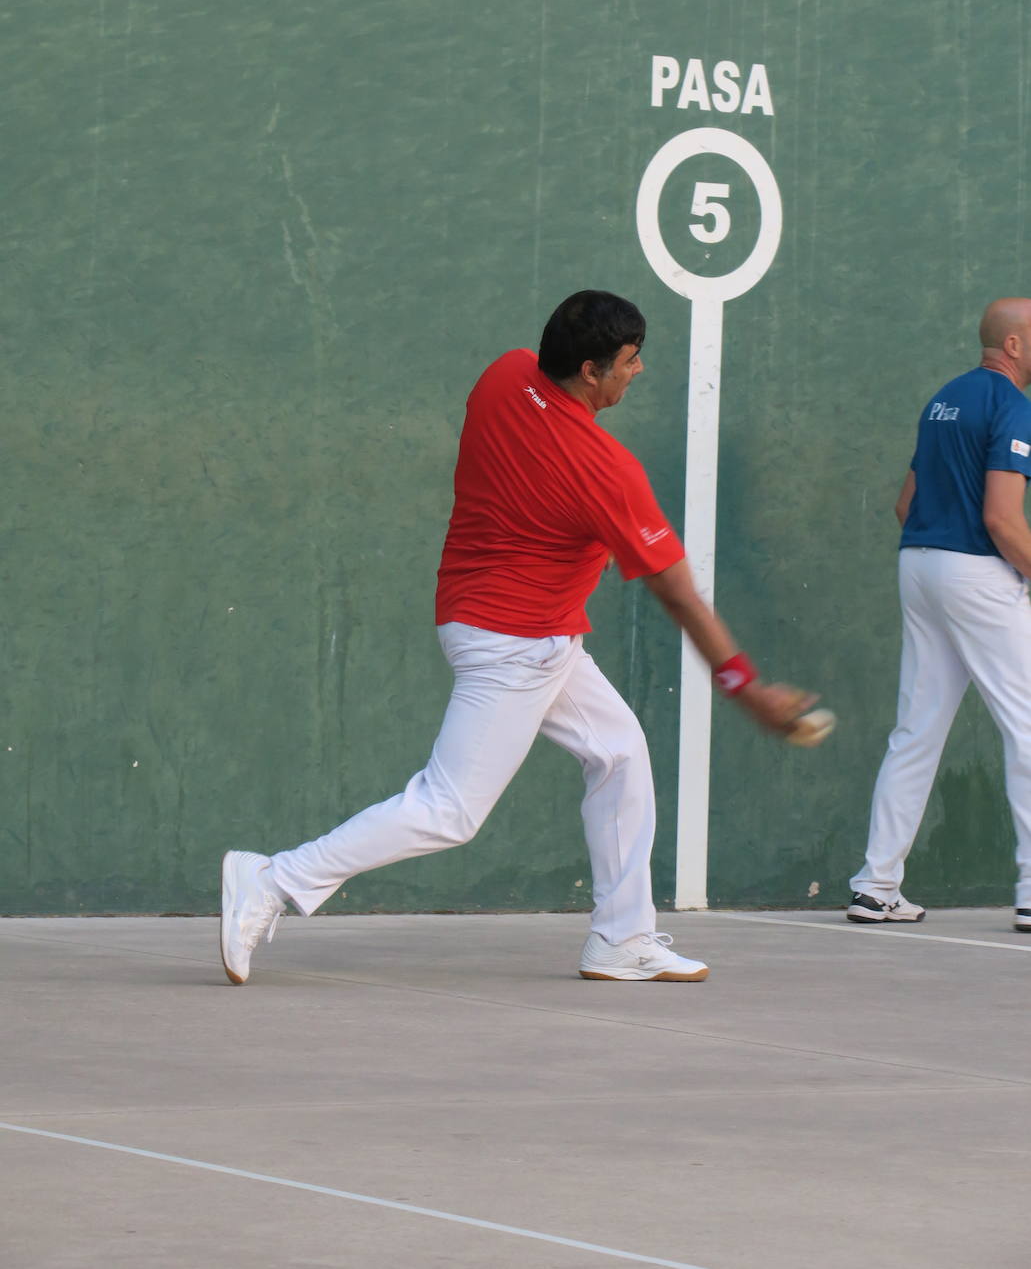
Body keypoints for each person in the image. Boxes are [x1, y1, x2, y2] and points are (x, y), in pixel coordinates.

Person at [220, 290, 814, 986]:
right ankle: (272, 878)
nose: (639, 371)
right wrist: (745, 689)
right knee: (449, 809)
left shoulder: (504, 375)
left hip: (490, 621)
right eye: (628, 361)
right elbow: (677, 593)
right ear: (590, 371)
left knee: (619, 754)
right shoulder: (606, 470)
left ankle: (623, 939)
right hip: (515, 642)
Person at [847, 298, 1031, 931]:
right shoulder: (1012, 407)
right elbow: (1002, 519)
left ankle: (875, 886)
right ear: (1012, 345)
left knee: (917, 729)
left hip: (919, 566)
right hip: (973, 573)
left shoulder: (942, 400)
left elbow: (907, 503)